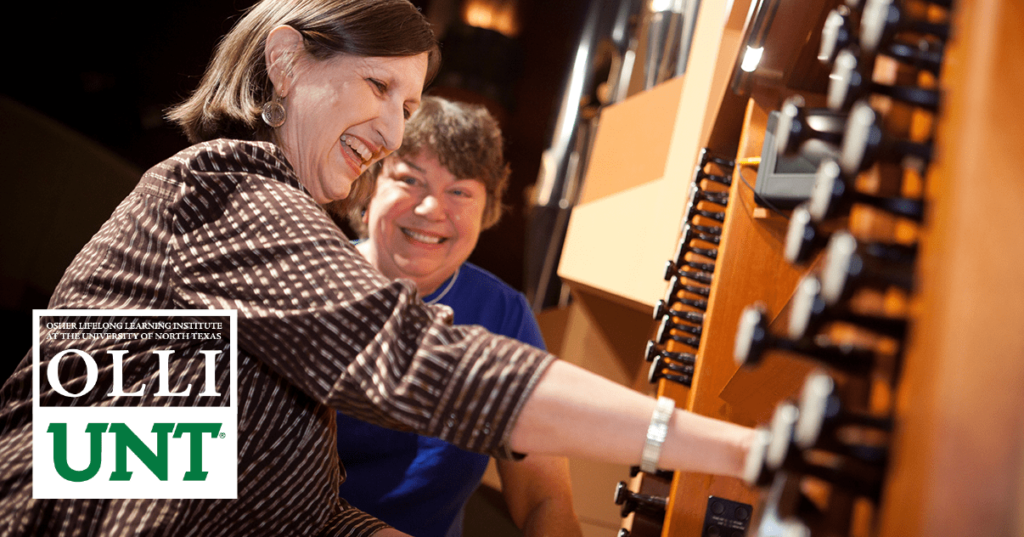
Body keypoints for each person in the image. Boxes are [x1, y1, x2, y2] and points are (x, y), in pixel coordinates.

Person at [0, 0, 755, 536]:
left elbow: (198, 476)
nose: (394, 129)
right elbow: (418, 361)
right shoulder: (222, 190)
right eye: (378, 87)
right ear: (289, 61)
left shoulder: (251, 230)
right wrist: (741, 449)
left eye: (410, 100)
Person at [335, 95, 582, 537]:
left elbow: (544, 495)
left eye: (460, 191)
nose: (432, 209)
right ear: (368, 188)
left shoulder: (502, 314)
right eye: (410, 180)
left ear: (487, 212)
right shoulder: (305, 281)